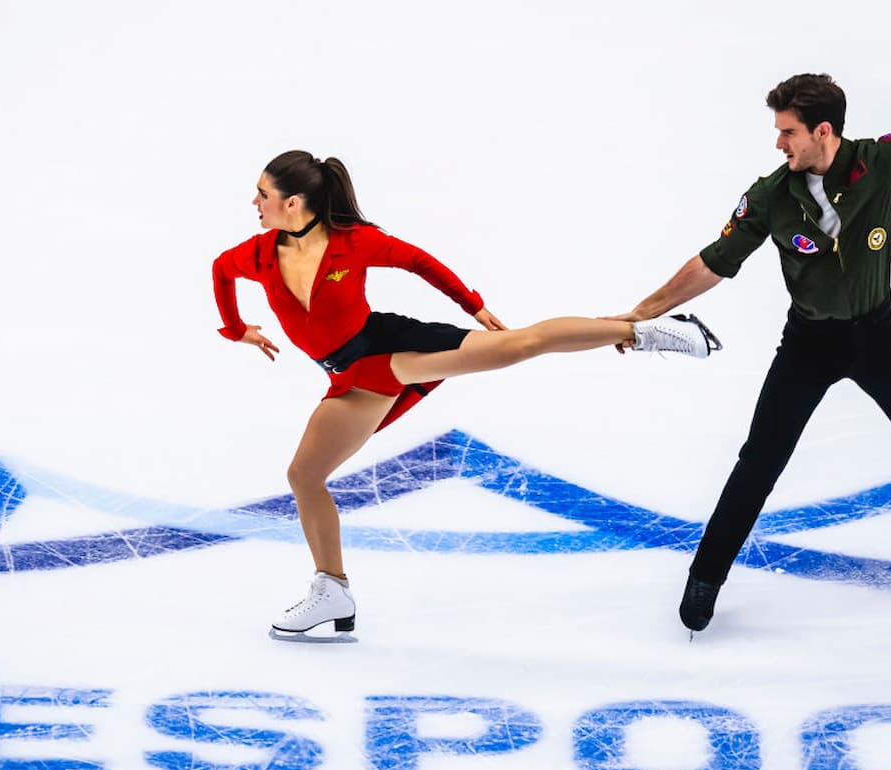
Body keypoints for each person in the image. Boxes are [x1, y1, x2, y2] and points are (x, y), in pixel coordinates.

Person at [610, 21, 891, 634]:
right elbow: (711, 264)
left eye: (788, 132)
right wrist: (641, 312)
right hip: (808, 343)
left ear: (823, 131)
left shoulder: (880, 161)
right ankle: (706, 575)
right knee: (758, 462)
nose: (779, 144)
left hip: (878, 334)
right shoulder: (770, 196)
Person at [213, 151, 722, 640]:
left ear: (294, 202)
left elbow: (421, 263)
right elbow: (220, 270)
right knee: (304, 476)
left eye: (262, 194)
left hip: (387, 350)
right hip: (350, 376)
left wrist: (474, 307)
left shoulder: (355, 243)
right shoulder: (256, 255)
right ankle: (332, 590)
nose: (254, 203)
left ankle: (647, 332)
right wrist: (236, 330)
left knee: (519, 344)